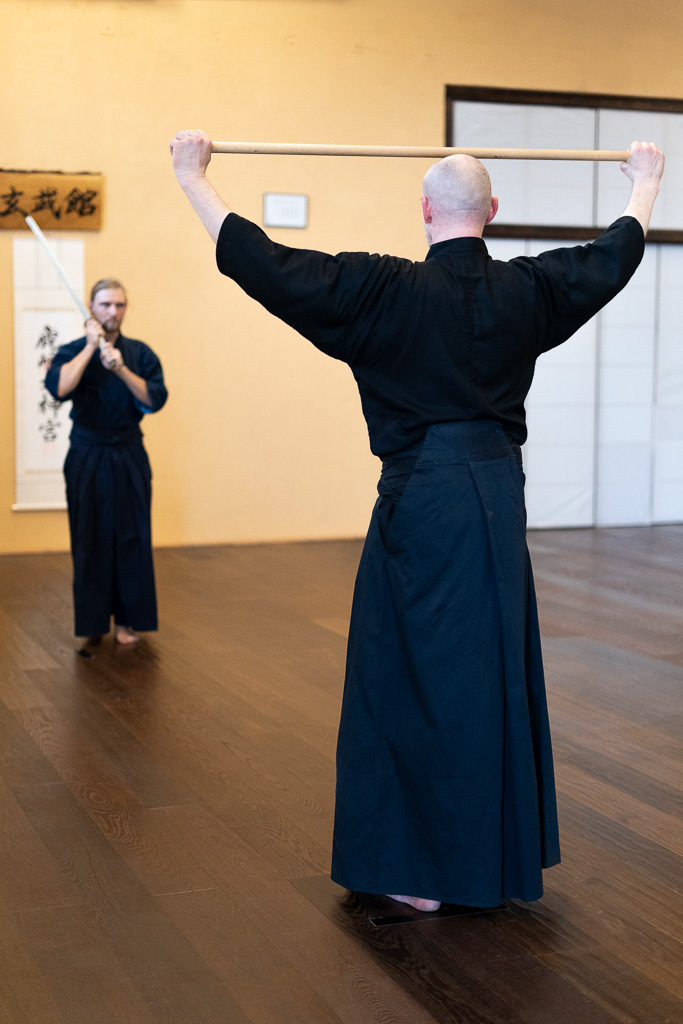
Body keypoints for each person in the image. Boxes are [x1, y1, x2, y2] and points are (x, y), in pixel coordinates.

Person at [170, 130, 664, 912]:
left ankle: (421, 874)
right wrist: (643, 183)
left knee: (410, 675)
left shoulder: (377, 290)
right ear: (492, 212)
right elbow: (608, 258)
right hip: (498, 499)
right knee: (480, 674)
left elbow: (263, 263)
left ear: (423, 209)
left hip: (424, 500)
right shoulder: (526, 291)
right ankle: (481, 860)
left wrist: (193, 178)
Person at [45, 279, 168, 645]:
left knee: (132, 537)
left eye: (119, 305)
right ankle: (93, 622)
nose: (112, 311)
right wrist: (90, 347)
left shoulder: (140, 353)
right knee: (89, 537)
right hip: (86, 455)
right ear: (91, 308)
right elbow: (60, 388)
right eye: (105, 305)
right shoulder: (70, 349)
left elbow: (154, 400)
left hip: (128, 454)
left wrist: (119, 369)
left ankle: (127, 622)